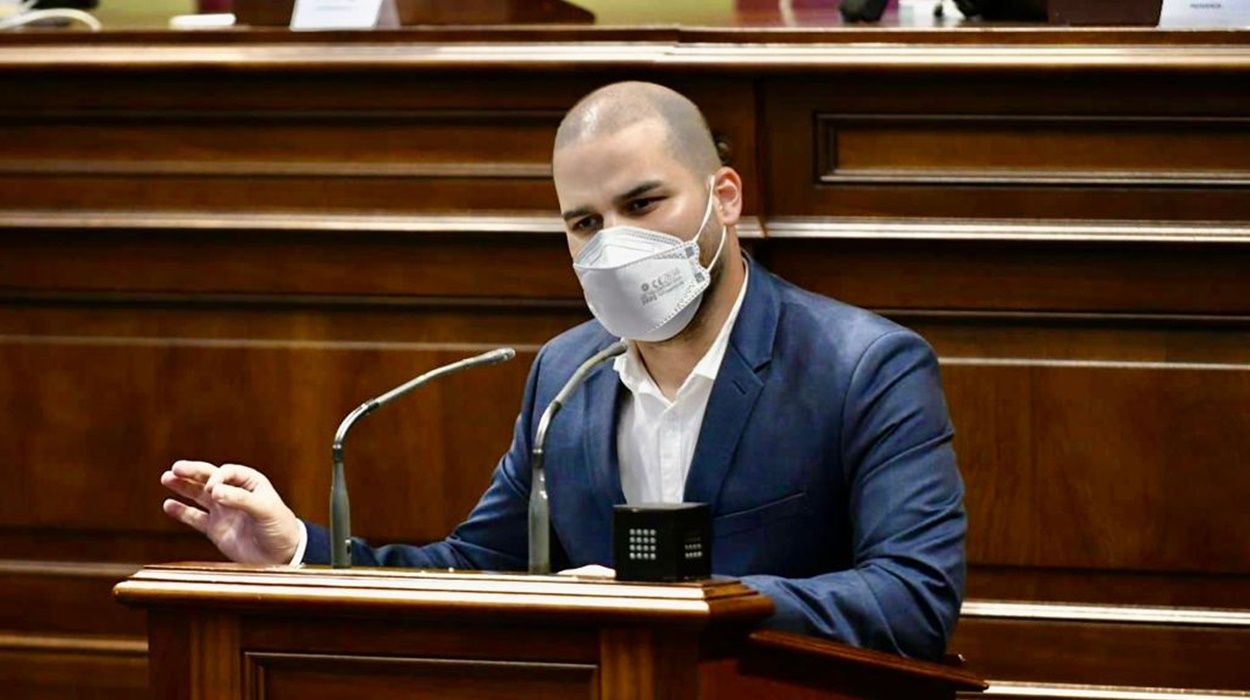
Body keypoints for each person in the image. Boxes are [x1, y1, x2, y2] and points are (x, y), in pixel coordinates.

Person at [160, 81, 967, 660]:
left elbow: (913, 598)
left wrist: (686, 604)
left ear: (724, 196)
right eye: (585, 222)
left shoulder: (865, 366)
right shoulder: (566, 373)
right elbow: (477, 573)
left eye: (643, 205)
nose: (614, 241)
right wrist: (297, 551)